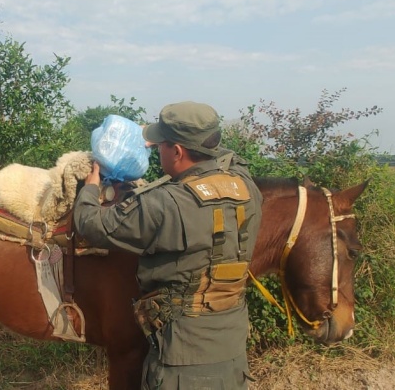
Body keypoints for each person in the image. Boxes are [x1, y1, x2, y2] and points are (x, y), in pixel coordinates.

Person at [74, 101, 263, 389]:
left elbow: (90, 224)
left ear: (176, 151)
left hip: (180, 363)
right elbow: (231, 157)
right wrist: (182, 139)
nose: (156, 148)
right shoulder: (246, 187)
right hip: (232, 354)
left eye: (161, 144)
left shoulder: (163, 204)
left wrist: (91, 184)